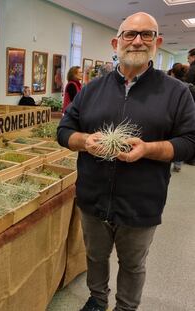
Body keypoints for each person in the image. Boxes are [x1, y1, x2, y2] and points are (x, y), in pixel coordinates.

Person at [57, 12, 195, 311]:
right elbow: (64, 131)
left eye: (146, 34)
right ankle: (97, 299)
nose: (137, 41)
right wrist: (84, 141)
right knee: (94, 256)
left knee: (133, 263)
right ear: (116, 41)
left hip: (141, 200)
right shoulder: (91, 89)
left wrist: (148, 149)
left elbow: (190, 143)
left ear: (157, 42)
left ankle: (126, 307)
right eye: (129, 34)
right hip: (93, 197)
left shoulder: (177, 92)